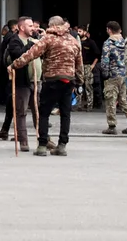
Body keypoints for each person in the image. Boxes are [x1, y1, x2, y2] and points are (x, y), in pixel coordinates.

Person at [10, 15, 83, 156]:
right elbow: (79, 64)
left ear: (52, 25)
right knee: (65, 114)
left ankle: (42, 145)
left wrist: (14, 65)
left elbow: (30, 54)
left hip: (52, 80)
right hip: (69, 80)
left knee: (44, 113)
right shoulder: (73, 41)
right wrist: (79, 82)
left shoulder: (48, 39)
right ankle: (62, 145)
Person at [0, 17, 39, 151]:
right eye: (30, 26)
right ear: (22, 28)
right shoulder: (14, 40)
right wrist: (31, 45)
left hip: (37, 81)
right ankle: (23, 141)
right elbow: (18, 55)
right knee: (21, 111)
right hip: (23, 82)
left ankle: (43, 138)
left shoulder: (34, 39)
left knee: (38, 112)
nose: (33, 28)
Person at [99, 21, 127, 135]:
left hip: (112, 75)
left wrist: (105, 73)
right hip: (124, 74)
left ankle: (112, 126)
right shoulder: (125, 42)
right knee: (123, 100)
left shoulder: (108, 43)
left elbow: (105, 60)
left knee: (110, 100)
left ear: (109, 30)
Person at [77, 27, 99, 111]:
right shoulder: (76, 42)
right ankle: (78, 105)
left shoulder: (90, 42)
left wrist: (92, 65)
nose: (78, 33)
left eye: (80, 31)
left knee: (88, 86)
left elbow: (97, 54)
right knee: (79, 85)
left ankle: (89, 105)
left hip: (87, 65)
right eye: (77, 31)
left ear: (85, 32)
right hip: (79, 66)